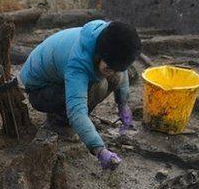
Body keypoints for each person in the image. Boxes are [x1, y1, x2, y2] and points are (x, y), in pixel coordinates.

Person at [19, 20, 141, 173]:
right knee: (99, 87)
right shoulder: (78, 62)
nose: (113, 70)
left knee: (113, 78)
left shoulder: (110, 38)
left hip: (59, 78)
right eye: (109, 67)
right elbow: (77, 111)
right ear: (99, 55)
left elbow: (121, 73)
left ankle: (75, 123)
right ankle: (59, 122)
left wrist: (123, 105)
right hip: (40, 90)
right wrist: (100, 150)